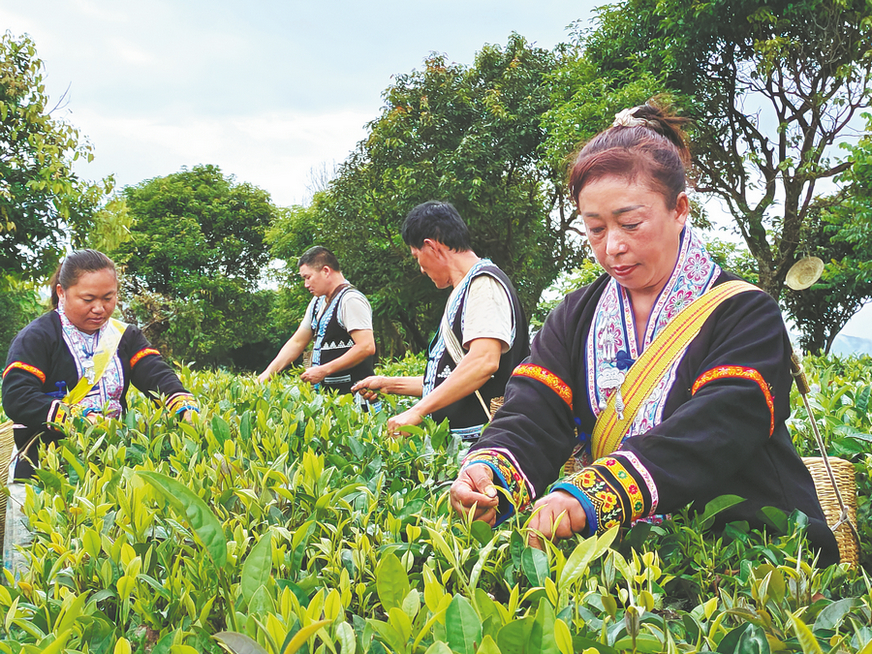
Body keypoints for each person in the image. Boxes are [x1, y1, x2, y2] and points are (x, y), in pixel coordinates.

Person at [448, 103, 840, 565]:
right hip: (629, 568)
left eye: (630, 224)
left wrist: (595, 495)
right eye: (595, 229)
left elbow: (718, 427)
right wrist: (488, 470)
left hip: (753, 561)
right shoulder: (576, 315)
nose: (612, 246)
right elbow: (533, 412)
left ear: (679, 209)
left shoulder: (745, 311)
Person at [2, 249, 198, 479]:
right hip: (47, 469)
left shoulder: (125, 336)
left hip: (110, 465)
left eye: (108, 298)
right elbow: (18, 397)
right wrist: (78, 418)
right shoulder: (38, 337)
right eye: (88, 299)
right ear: (61, 292)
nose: (99, 308)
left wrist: (181, 402)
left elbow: (154, 372)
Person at [352, 201, 529, 442]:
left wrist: (417, 411)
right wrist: (388, 384)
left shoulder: (483, 284)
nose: (421, 269)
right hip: (463, 444)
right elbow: (448, 379)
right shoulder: (465, 288)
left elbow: (484, 362)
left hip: (484, 445)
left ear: (432, 247)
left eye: (417, 256)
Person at [258, 246, 377, 404]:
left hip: (356, 398)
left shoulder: (350, 300)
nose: (306, 284)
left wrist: (324, 370)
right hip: (328, 399)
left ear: (326, 271)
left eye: (308, 277)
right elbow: (298, 341)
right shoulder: (317, 302)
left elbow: (366, 346)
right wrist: (268, 373)